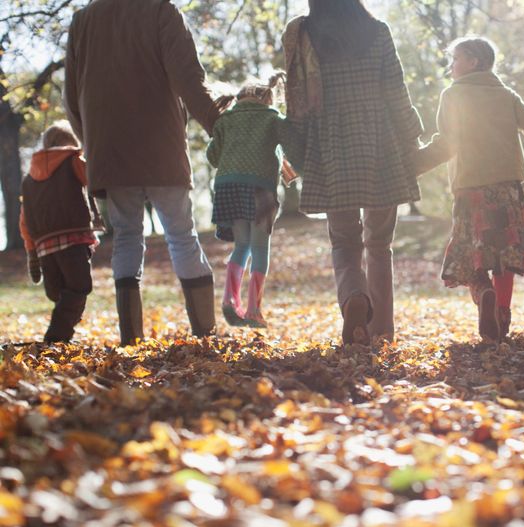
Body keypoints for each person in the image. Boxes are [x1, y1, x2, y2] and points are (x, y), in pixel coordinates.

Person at [63, 0, 222, 346]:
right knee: (181, 235)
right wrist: (219, 127)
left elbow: (71, 98)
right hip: (161, 145)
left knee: (126, 237)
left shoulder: (82, 21)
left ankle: (131, 339)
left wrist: (91, 143)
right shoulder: (160, 10)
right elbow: (189, 79)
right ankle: (205, 335)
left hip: (109, 148)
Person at [283, 0, 422, 345]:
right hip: (380, 142)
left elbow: (296, 97)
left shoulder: (305, 34)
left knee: (344, 241)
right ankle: (382, 330)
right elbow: (396, 91)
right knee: (380, 243)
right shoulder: (377, 31)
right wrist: (412, 135)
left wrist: (294, 147)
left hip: (330, 144)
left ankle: (354, 299)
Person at [415, 37, 524, 341]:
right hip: (507, 189)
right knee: (505, 253)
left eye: (455, 58)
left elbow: (446, 144)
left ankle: (483, 291)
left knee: (471, 250)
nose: (451, 65)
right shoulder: (506, 95)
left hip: (470, 189)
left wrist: (412, 166)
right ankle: (501, 313)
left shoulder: (453, 95)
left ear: (474, 61)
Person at [207, 74, 304, 328]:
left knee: (242, 245)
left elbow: (213, 157)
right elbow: (294, 148)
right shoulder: (273, 118)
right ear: (269, 98)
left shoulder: (226, 120)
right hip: (260, 188)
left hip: (229, 188)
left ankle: (229, 300)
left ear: (240, 98)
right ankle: (254, 310)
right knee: (260, 248)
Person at [19, 122, 103, 343]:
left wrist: (32, 252)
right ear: (71, 141)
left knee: (59, 293)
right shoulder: (73, 161)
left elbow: (25, 219)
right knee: (79, 287)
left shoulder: (29, 179)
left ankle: (62, 339)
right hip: (73, 239)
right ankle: (56, 338)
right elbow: (94, 179)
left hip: (44, 246)